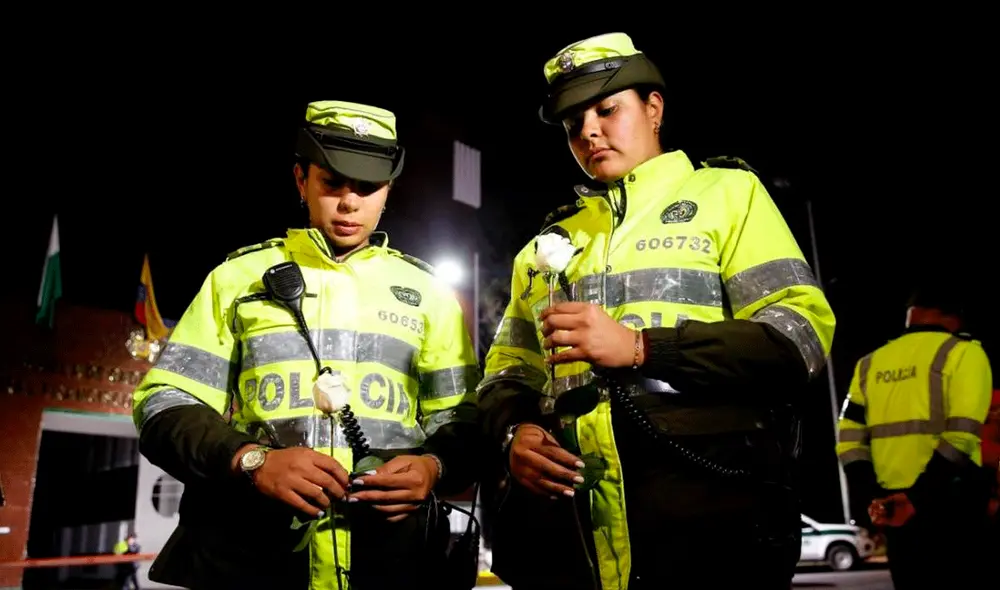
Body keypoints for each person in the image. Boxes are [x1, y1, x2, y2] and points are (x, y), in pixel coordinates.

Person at [478, 32, 836, 589]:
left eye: (606, 109)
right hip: (573, 534)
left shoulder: (729, 194)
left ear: (653, 107)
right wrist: (514, 435)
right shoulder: (546, 243)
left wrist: (644, 348)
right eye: (574, 123)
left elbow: (801, 336)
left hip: (709, 523)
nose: (589, 131)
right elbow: (506, 373)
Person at [131, 100, 481, 589]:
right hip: (253, 559)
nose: (348, 203)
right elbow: (163, 404)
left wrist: (432, 466)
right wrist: (252, 461)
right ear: (301, 179)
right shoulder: (237, 279)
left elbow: (465, 420)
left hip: (391, 563)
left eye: (366, 187)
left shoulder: (430, 294)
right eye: (332, 183)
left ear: (388, 191)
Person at [837, 285, 992, 589]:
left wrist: (874, 497)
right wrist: (917, 498)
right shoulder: (964, 353)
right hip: (952, 508)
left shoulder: (869, 364)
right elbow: (961, 437)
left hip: (894, 513)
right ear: (953, 316)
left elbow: (848, 441)